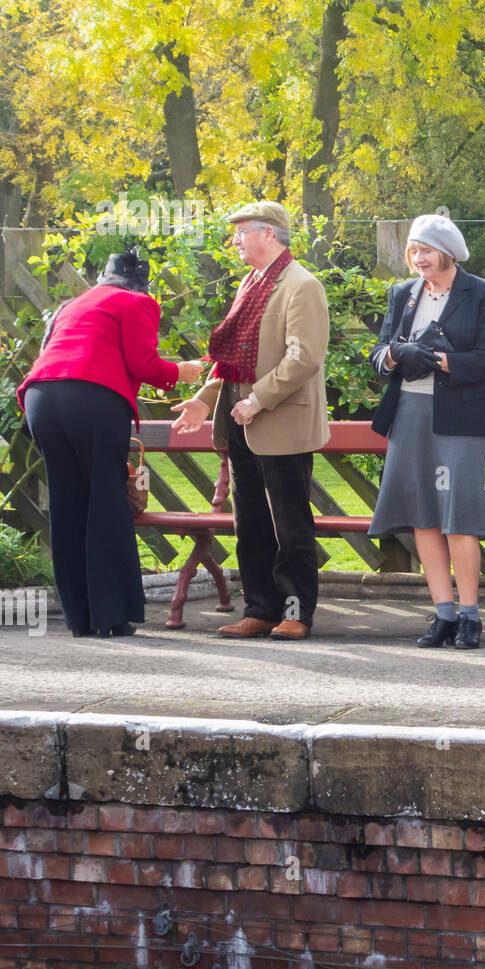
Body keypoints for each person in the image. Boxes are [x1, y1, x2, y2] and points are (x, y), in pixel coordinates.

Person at [19, 249, 205, 637]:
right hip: (90, 400)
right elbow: (143, 364)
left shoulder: (73, 304)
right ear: (141, 281)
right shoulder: (137, 301)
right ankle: (111, 616)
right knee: (106, 502)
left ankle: (81, 618)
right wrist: (181, 372)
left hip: (40, 399)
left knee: (68, 503)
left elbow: (50, 355)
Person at [171, 202, 330, 641]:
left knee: (289, 525)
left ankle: (296, 612)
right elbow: (229, 360)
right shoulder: (251, 281)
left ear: (270, 234)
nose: (235, 240)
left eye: (242, 232)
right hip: (241, 423)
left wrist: (258, 400)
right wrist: (204, 401)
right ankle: (260, 609)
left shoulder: (302, 285)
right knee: (251, 523)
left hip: (280, 422)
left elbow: (304, 358)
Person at [368, 215, 485, 649]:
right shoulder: (402, 293)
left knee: (457, 513)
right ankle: (443, 613)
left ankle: (470, 615)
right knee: (422, 512)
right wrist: (395, 355)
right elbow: (378, 352)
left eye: (426, 249)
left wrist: (440, 361)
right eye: (413, 250)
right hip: (408, 412)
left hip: (458, 417)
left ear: (447, 251)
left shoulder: (483, 293)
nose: (418, 258)